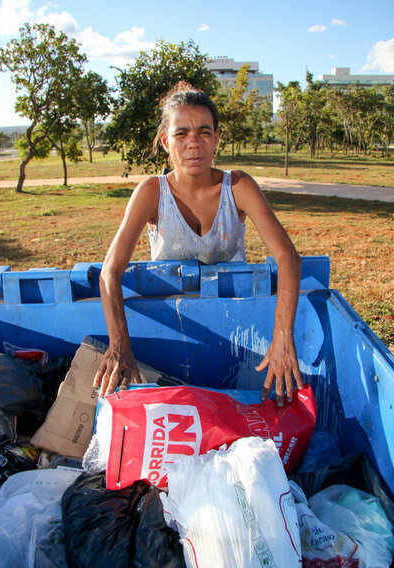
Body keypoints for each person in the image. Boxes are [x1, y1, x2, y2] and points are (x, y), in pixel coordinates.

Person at [94, 81, 303, 406]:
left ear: (217, 138)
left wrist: (282, 338)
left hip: (235, 330)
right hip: (177, 331)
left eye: (204, 132)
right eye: (181, 134)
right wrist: (119, 343)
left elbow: (287, 256)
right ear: (165, 141)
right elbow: (110, 271)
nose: (194, 143)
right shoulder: (151, 193)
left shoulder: (238, 187)